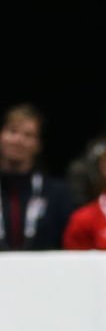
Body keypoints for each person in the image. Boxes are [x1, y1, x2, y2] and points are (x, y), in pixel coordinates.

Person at [0, 103, 73, 251]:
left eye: (28, 135)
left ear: (38, 145)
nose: (18, 140)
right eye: (12, 131)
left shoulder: (58, 194)